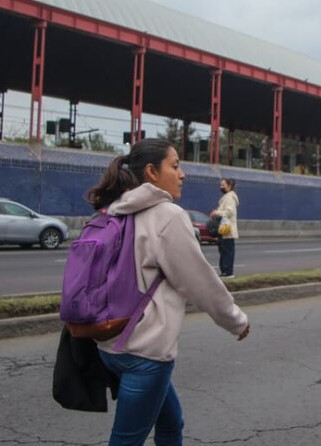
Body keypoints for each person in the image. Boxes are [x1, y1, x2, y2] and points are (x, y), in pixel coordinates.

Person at [86, 139, 251, 445]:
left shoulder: (115, 211)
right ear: (152, 172)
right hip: (144, 353)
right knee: (126, 440)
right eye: (175, 166)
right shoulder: (168, 216)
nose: (182, 174)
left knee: (172, 424)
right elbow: (199, 281)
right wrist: (236, 321)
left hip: (109, 343)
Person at [211, 178, 239, 278]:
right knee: (224, 251)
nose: (221, 187)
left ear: (229, 186)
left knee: (227, 251)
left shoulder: (230, 197)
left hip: (227, 230)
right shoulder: (227, 197)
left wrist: (216, 213)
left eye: (223, 185)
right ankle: (225, 271)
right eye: (220, 185)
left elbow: (229, 212)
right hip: (224, 230)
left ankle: (228, 272)